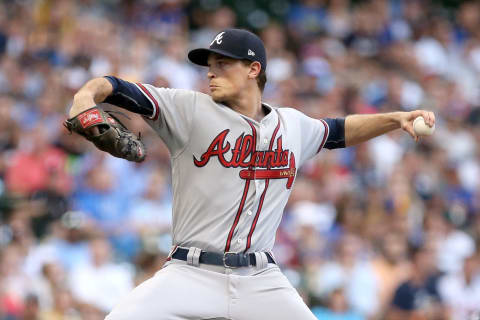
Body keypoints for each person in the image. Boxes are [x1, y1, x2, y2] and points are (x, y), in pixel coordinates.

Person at [67, 28, 435, 319]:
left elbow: (338, 130)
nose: (211, 71)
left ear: (253, 69)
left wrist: (394, 119)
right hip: (189, 273)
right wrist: (85, 98)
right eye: (209, 63)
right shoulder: (187, 108)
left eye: (223, 63)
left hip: (261, 279)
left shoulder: (293, 125)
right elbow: (115, 86)